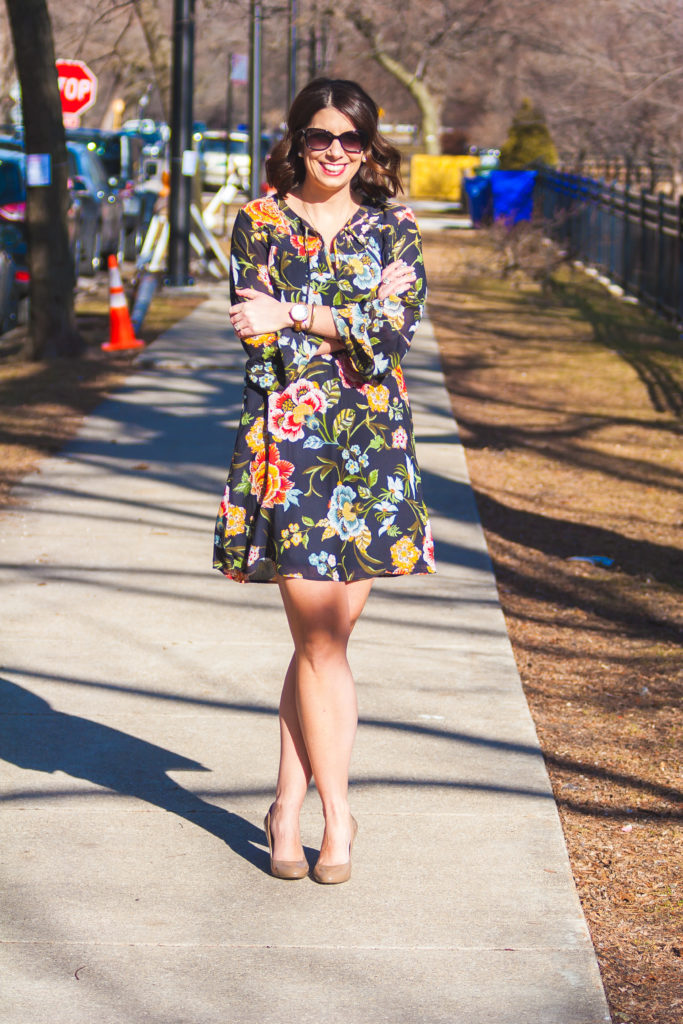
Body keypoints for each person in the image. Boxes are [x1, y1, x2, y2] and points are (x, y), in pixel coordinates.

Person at [214, 77, 435, 884]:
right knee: (318, 639)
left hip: (373, 448)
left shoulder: (393, 227)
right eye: (319, 137)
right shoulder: (260, 222)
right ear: (295, 141)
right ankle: (337, 816)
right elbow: (254, 336)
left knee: (324, 643)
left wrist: (299, 315)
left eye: (350, 139)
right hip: (289, 442)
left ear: (369, 147)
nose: (334, 152)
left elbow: (394, 333)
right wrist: (338, 322)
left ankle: (284, 806)